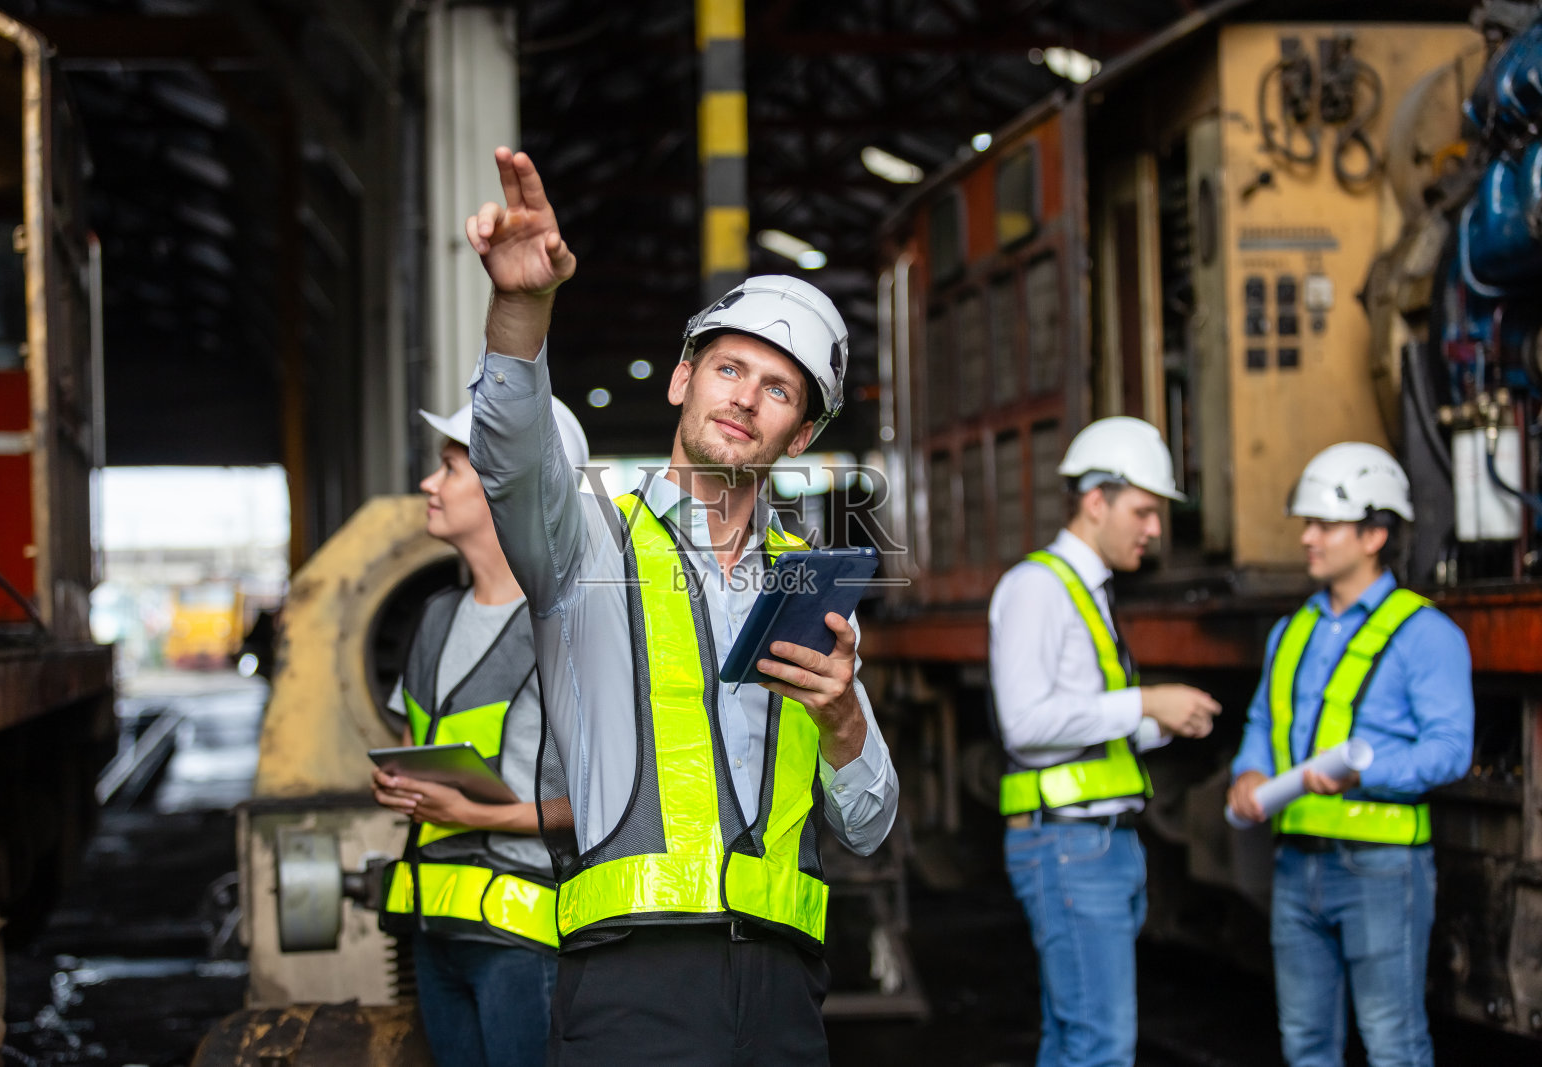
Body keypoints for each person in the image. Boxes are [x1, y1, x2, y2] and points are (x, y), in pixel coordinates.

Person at [461, 147, 899, 1065]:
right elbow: (509, 450)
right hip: (631, 986)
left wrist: (846, 721)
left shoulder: (810, 588)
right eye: (729, 369)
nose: (746, 398)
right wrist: (522, 309)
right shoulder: (581, 545)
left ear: (804, 432)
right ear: (681, 380)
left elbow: (867, 822)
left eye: (779, 388)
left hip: (783, 993)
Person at [1227, 443, 1473, 1067]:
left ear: (1373, 534)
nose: (1307, 538)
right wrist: (1248, 771)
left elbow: (1449, 751)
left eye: (1324, 525)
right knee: (1306, 1045)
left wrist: (1368, 771)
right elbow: (1264, 719)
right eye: (1306, 523)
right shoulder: (1293, 630)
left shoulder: (1425, 634)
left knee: (1393, 1045)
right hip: (1295, 866)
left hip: (1381, 869)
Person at [988, 415, 1222, 1067]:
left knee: (1078, 1040)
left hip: (1094, 843)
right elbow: (1027, 725)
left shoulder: (1084, 590)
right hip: (1068, 845)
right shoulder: (1038, 587)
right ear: (1097, 501)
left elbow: (1083, 726)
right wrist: (1146, 701)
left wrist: (1157, 723)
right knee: (1099, 1044)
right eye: (1144, 510)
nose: (1154, 529)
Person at [370, 397, 589, 1067]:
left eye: (449, 467)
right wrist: (397, 779)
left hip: (523, 939)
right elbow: (419, 747)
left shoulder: (571, 627)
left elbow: (613, 803)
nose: (429, 485)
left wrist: (471, 811)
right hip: (436, 931)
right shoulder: (435, 617)